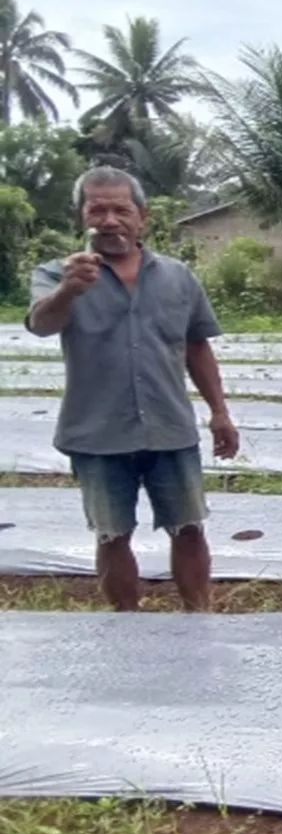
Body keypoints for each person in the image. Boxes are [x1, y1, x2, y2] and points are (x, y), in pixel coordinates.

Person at [25, 166, 239, 612]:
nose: (108, 220)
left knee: (189, 527)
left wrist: (219, 411)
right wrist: (68, 290)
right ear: (81, 217)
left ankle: (199, 616)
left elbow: (196, 345)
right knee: (111, 533)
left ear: (141, 217)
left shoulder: (177, 276)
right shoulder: (54, 274)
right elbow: (42, 325)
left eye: (120, 209)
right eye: (96, 209)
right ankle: (126, 626)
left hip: (170, 428)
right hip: (96, 433)